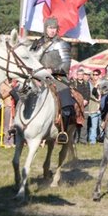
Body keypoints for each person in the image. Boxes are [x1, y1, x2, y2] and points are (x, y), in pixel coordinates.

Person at [30, 16, 74, 144]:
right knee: (18, 92)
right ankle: (18, 126)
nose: (52, 31)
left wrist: (52, 70)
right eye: (50, 28)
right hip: (37, 77)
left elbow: (66, 65)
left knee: (66, 103)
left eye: (54, 28)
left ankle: (62, 131)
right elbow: (30, 60)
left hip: (57, 78)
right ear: (45, 28)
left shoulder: (62, 44)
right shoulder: (37, 44)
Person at [71, 68, 91, 144]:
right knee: (75, 122)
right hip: (75, 104)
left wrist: (86, 100)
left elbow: (88, 93)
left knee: (84, 122)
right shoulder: (73, 83)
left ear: (83, 75)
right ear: (77, 75)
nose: (80, 76)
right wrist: (78, 101)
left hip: (85, 105)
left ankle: (83, 140)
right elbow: (72, 93)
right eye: (78, 74)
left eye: (81, 74)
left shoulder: (87, 83)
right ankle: (74, 139)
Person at [88, 69, 102, 144]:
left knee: (102, 125)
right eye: (94, 74)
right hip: (94, 107)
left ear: (99, 75)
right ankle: (92, 141)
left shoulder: (103, 83)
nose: (95, 76)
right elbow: (92, 93)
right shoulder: (90, 84)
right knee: (94, 126)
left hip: (102, 108)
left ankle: (101, 139)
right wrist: (96, 86)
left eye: (96, 74)